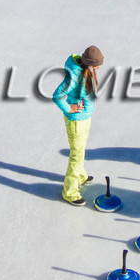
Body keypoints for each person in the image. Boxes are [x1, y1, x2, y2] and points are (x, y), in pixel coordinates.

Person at [51, 45, 104, 205]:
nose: (98, 68)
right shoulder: (74, 77)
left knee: (80, 150)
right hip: (76, 120)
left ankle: (80, 176)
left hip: (84, 117)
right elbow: (57, 96)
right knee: (76, 154)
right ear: (88, 63)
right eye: (96, 65)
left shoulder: (87, 71)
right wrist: (70, 108)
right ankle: (70, 192)